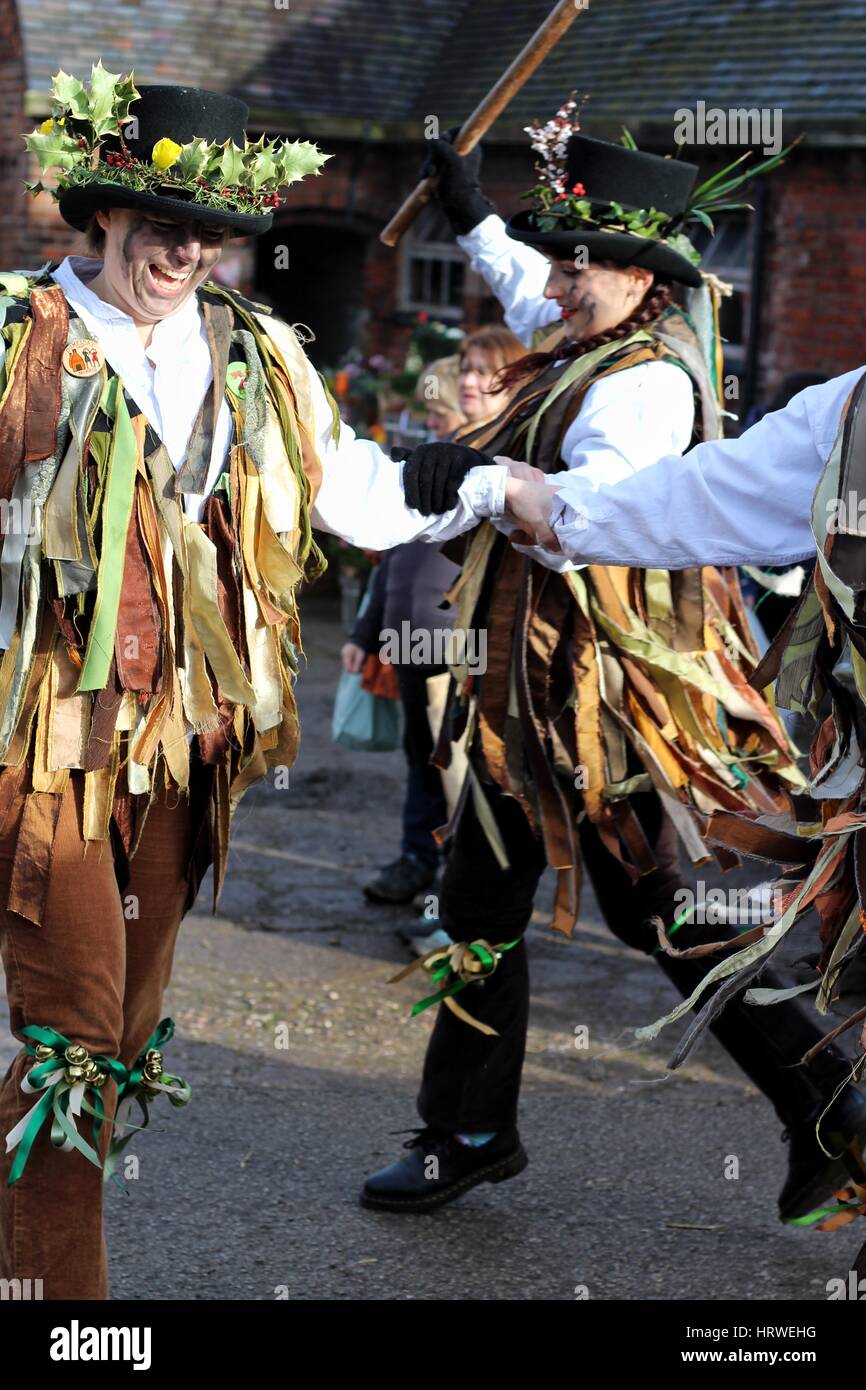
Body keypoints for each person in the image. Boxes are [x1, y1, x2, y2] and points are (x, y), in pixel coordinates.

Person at [0, 69, 518, 1299]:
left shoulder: (255, 356)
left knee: (121, 1041)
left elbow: (355, 495)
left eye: (208, 232)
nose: (184, 251)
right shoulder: (12, 341)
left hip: (188, 750)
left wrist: (489, 485)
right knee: (71, 1046)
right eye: (159, 224)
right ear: (101, 218)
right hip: (45, 750)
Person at [360, 108, 866, 1220]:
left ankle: (821, 1106)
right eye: (562, 252)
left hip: (594, 694)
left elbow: (605, 526)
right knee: (521, 900)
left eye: (588, 258)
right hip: (532, 688)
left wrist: (480, 483)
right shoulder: (595, 334)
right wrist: (474, 218)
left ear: (646, 278)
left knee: (646, 912)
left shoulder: (641, 385)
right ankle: (476, 1127)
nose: (561, 276)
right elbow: (529, 291)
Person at [346, 332, 525, 907]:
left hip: (463, 641)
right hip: (411, 633)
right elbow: (395, 553)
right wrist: (366, 631)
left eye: (485, 372)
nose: (470, 381)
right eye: (466, 370)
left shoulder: (516, 467)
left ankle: (458, 894)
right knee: (422, 760)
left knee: (462, 771)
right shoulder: (436, 455)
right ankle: (420, 865)